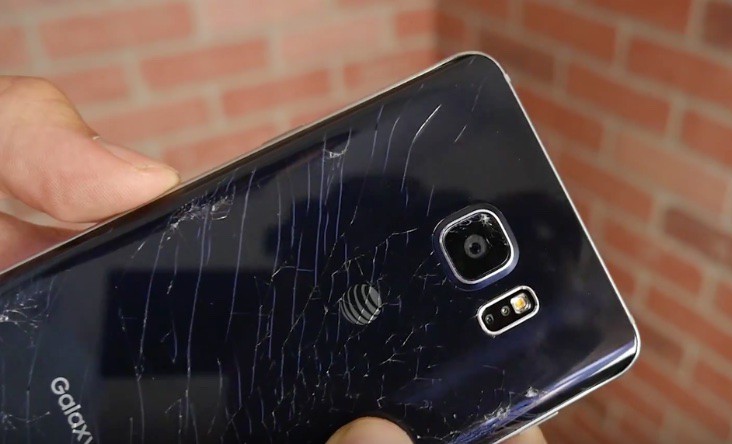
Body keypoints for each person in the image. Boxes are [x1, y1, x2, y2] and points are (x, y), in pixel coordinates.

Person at [0, 76, 546, 444]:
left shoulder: (459, 323)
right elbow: (289, 222)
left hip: (274, 380)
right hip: (255, 331)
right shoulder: (399, 199)